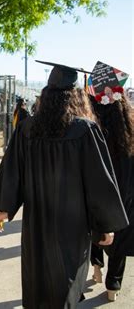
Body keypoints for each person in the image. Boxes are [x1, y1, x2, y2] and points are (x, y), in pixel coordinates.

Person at [0, 61, 129, 308]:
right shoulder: (85, 130)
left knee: (37, 281)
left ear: (46, 94)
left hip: (36, 226)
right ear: (76, 96)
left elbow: (12, 171)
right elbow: (98, 182)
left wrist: (4, 207)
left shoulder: (27, 129)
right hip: (72, 227)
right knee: (66, 285)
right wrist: (105, 225)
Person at [89, 85, 134, 302]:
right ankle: (113, 285)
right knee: (121, 236)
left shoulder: (90, 132)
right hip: (124, 194)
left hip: (97, 195)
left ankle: (96, 266)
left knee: (94, 229)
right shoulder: (131, 132)